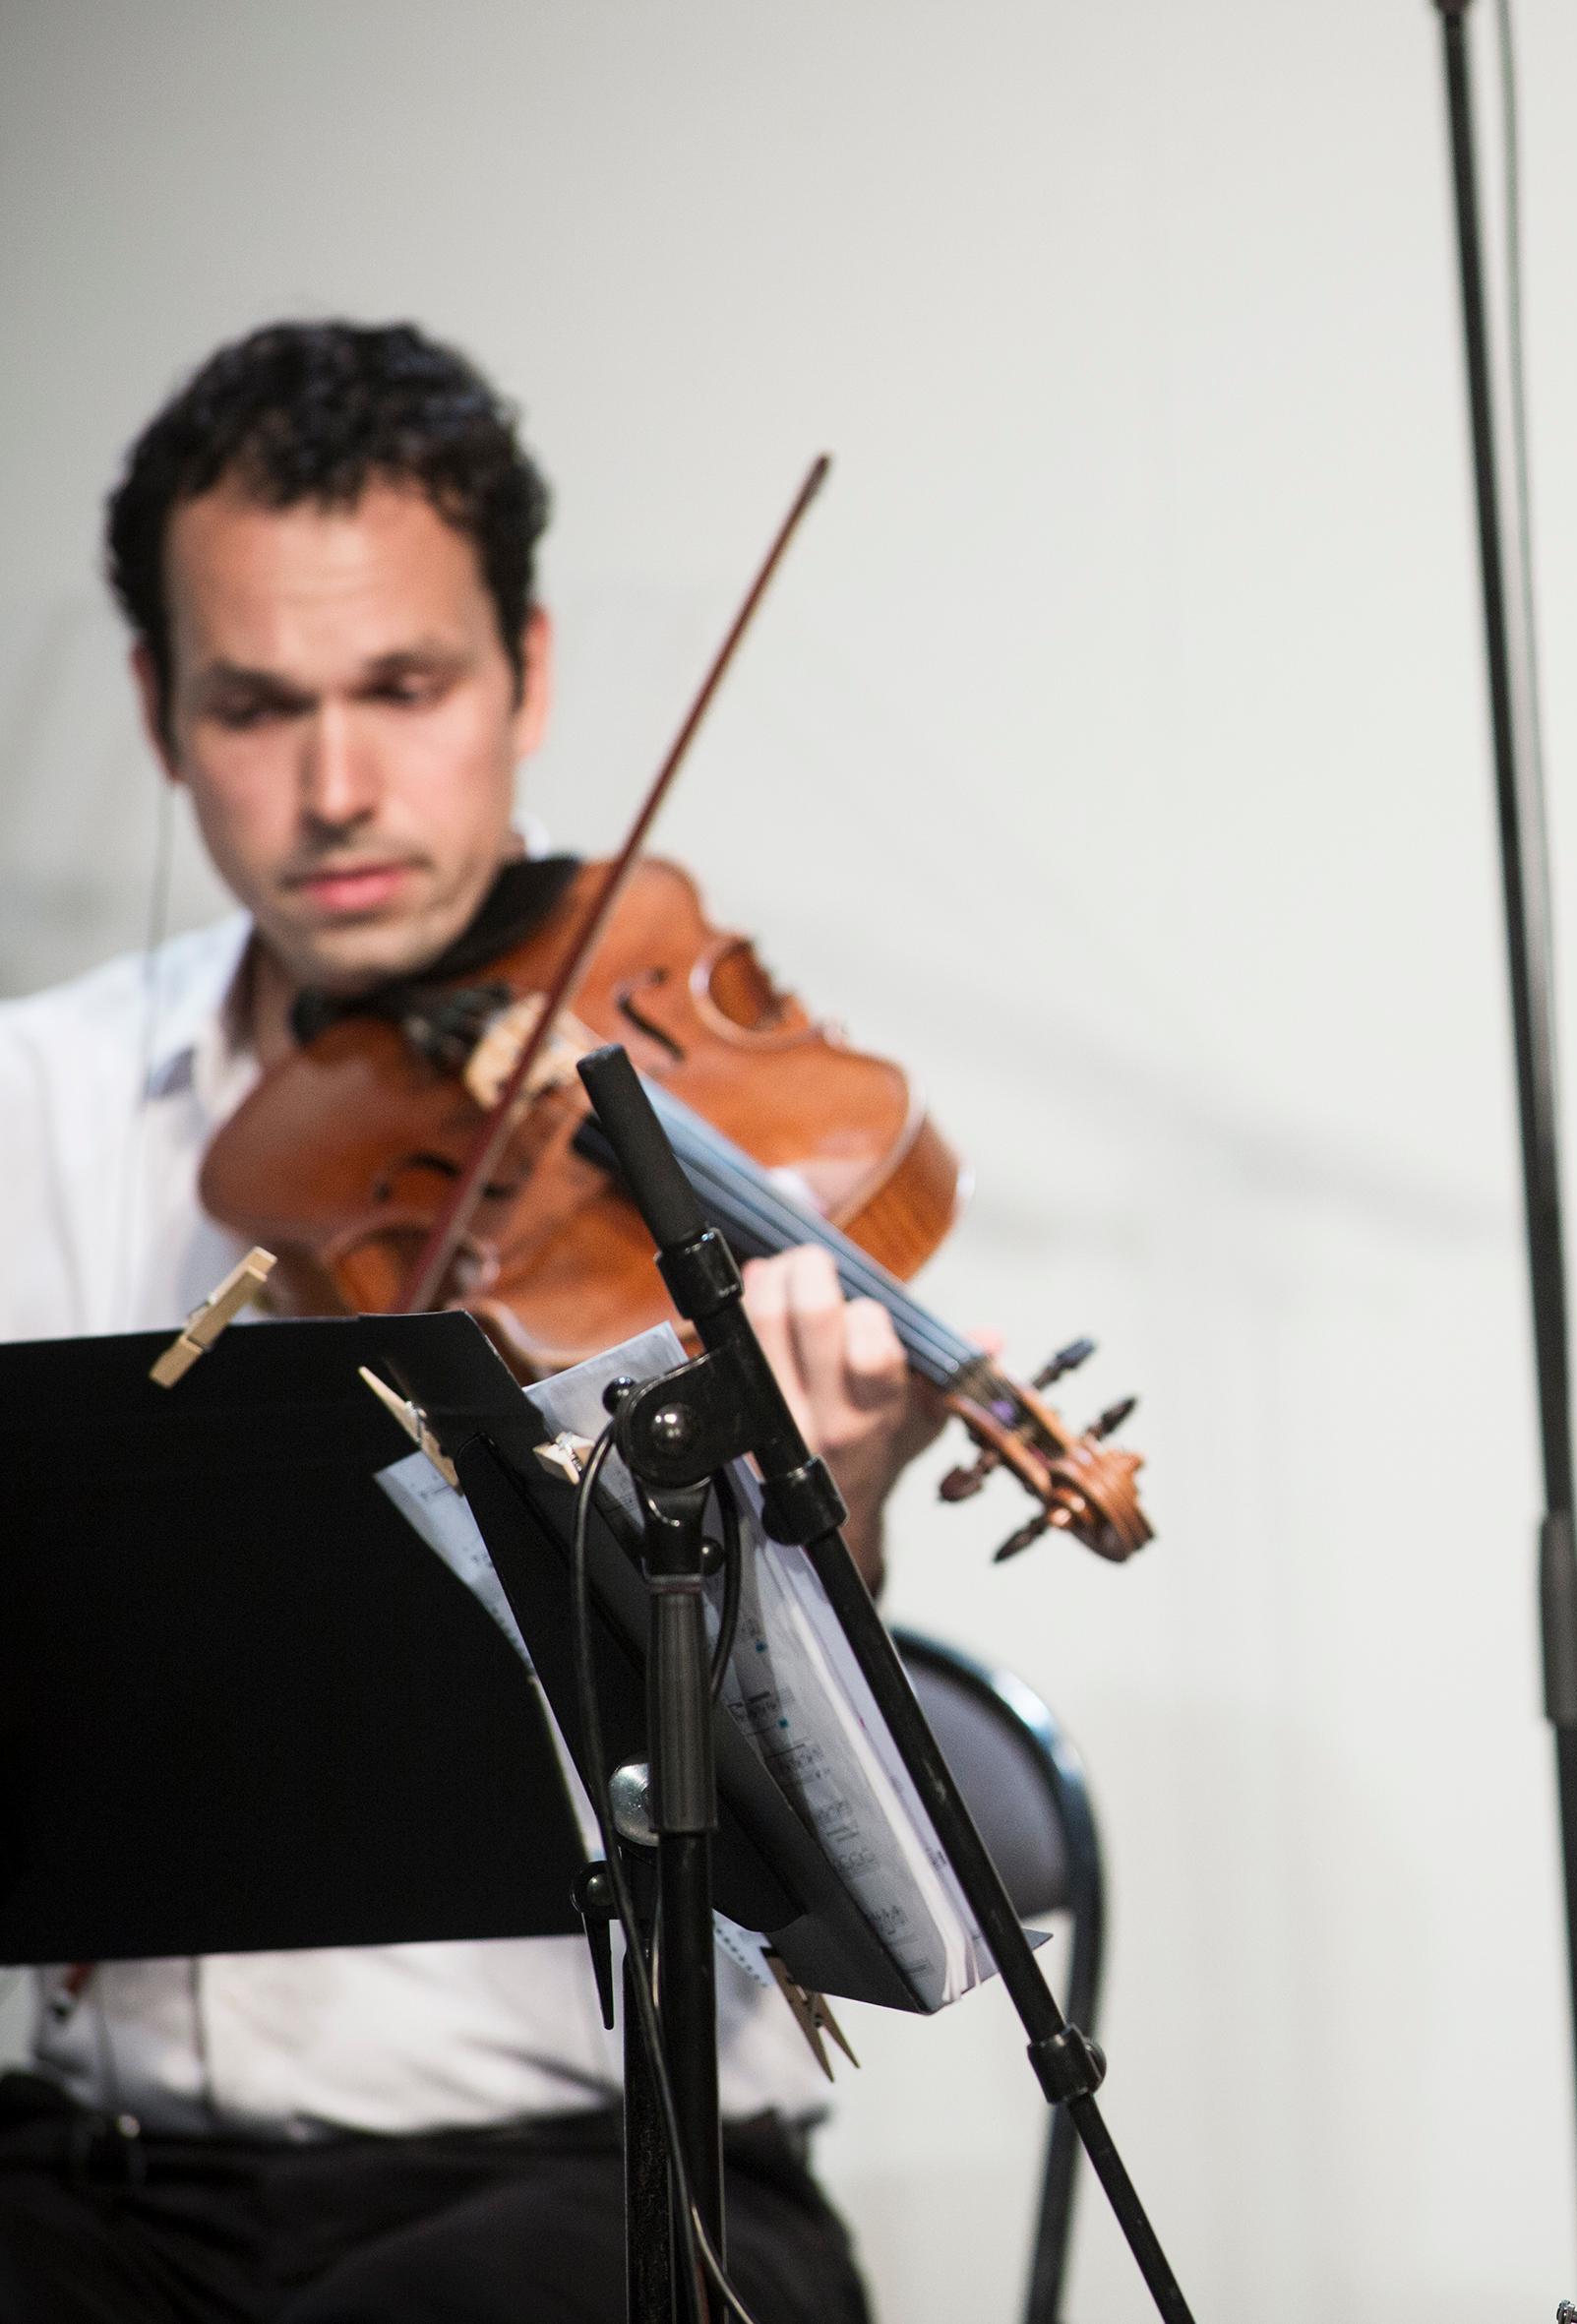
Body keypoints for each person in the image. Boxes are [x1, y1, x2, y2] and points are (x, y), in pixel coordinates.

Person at [0, 322, 941, 2322]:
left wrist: (829, 1512)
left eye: (404, 689)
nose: (337, 787)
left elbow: (822, 1869)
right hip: (96, 2180)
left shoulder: (666, 1140)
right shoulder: (36, 1111)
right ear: (163, 709)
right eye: (258, 706)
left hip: (593, 2177)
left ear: (527, 672)